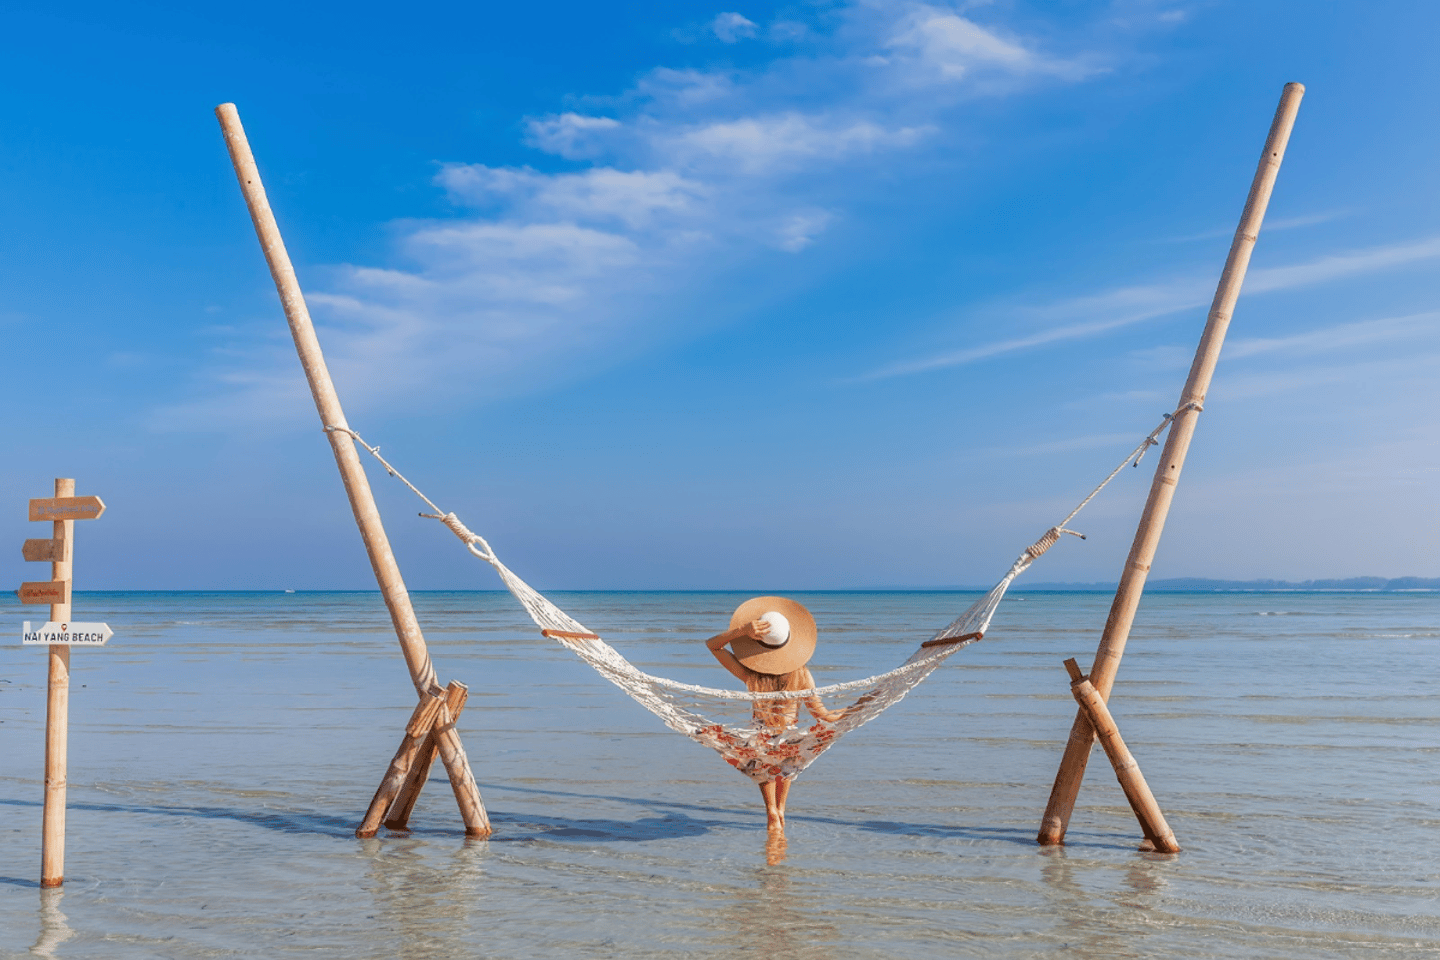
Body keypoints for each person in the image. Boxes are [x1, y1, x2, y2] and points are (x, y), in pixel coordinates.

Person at [706, 596, 845, 833]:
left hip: (759, 739)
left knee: (764, 764)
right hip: (788, 740)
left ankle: (770, 810)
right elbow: (822, 714)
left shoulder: (751, 675)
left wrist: (741, 631)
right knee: (786, 761)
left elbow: (713, 645)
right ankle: (780, 810)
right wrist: (854, 709)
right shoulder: (802, 676)